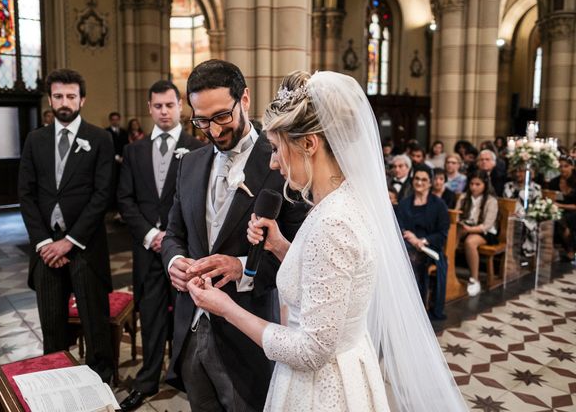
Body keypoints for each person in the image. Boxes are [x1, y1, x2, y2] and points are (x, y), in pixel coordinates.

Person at [186, 71, 466, 411]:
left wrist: (225, 307)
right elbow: (330, 279)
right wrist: (279, 245)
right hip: (348, 363)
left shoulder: (332, 222)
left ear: (309, 144)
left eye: (276, 148)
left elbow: (310, 350)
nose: (273, 163)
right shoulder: (343, 200)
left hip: (323, 387)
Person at [161, 60, 307, 411]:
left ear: (244, 99)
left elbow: (302, 255)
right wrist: (175, 262)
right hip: (192, 327)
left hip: (248, 331)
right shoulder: (190, 164)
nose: (212, 130)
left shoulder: (281, 163)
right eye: (201, 120)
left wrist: (243, 267)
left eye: (221, 117)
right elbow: (173, 233)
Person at [18, 68, 114, 382]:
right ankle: (55, 379)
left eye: (71, 96)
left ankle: (101, 378)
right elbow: (26, 194)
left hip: (84, 246)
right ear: (50, 99)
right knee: (52, 321)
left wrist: (70, 240)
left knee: (94, 319)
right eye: (58, 95)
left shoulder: (99, 138)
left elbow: (102, 195)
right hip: (46, 250)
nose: (64, 102)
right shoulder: (35, 139)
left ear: (82, 99)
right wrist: (45, 243)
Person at [117, 81, 203, 411]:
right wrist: (150, 236)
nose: (164, 111)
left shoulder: (197, 147)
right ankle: (148, 378)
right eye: (158, 106)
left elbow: (197, 201)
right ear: (149, 107)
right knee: (151, 314)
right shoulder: (134, 151)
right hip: (147, 249)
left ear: (180, 106)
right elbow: (124, 198)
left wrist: (171, 238)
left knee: (185, 315)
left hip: (182, 250)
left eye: (170, 105)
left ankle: (183, 375)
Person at [396, 165, 450, 319]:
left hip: (430, 248)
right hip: (408, 244)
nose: (419, 182)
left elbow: (442, 233)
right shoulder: (405, 203)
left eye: (424, 179)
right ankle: (399, 304)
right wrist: (412, 239)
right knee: (403, 256)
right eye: (417, 179)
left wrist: (422, 241)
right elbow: (399, 226)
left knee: (414, 258)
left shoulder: (439, 205)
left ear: (430, 182)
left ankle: (416, 308)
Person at [456, 171, 498, 297]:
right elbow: (456, 216)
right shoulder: (464, 198)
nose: (473, 187)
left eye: (478, 184)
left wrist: (469, 229)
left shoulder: (491, 201)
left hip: (485, 232)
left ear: (485, 185)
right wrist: (462, 224)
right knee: (454, 233)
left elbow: (487, 225)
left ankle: (474, 279)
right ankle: (448, 271)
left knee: (470, 241)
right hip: (465, 228)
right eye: (472, 184)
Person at [503, 165, 542, 263]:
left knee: (522, 225)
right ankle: (511, 258)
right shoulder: (509, 186)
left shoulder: (535, 188)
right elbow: (506, 202)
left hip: (528, 217)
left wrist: (522, 216)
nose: (518, 174)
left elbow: (535, 208)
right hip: (509, 216)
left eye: (522, 171)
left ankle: (517, 258)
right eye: (516, 171)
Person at [548, 156, 576, 262]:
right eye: (561, 166)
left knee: (564, 220)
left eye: (566, 166)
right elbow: (550, 198)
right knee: (559, 219)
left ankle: (570, 250)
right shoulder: (554, 182)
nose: (563, 169)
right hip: (559, 211)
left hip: (573, 210)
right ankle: (570, 249)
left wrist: (561, 206)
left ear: (572, 167)